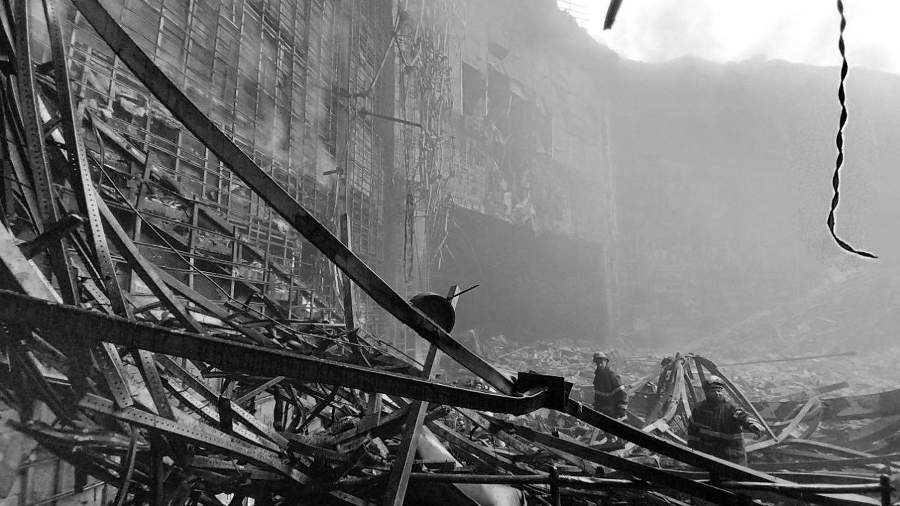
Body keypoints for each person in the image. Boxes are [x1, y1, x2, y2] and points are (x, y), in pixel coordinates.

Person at [687, 375, 764, 468]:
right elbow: (692, 432)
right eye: (713, 391)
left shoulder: (730, 407)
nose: (717, 393)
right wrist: (692, 454)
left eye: (719, 390)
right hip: (709, 459)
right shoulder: (699, 409)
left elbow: (742, 416)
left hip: (732, 460)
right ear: (706, 392)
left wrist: (752, 424)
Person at [592, 352, 627, 418]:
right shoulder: (597, 376)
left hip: (612, 411)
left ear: (606, 361)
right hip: (602, 410)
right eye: (597, 363)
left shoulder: (612, 376)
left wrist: (621, 411)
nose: (599, 365)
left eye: (601, 362)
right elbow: (597, 395)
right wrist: (596, 408)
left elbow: (622, 394)